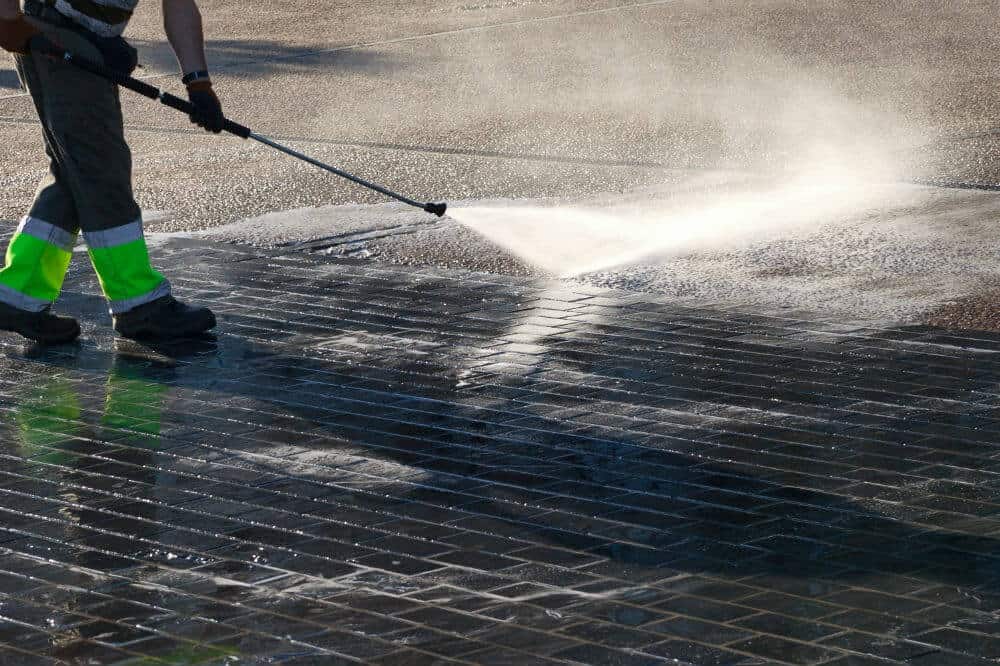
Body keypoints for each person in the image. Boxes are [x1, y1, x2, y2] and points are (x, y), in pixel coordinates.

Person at [0, 0, 222, 343]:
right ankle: (138, 303)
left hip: (72, 35)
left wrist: (199, 85)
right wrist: (8, 17)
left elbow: (178, 4)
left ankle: (17, 295)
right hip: (55, 37)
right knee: (102, 173)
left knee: (73, 171)